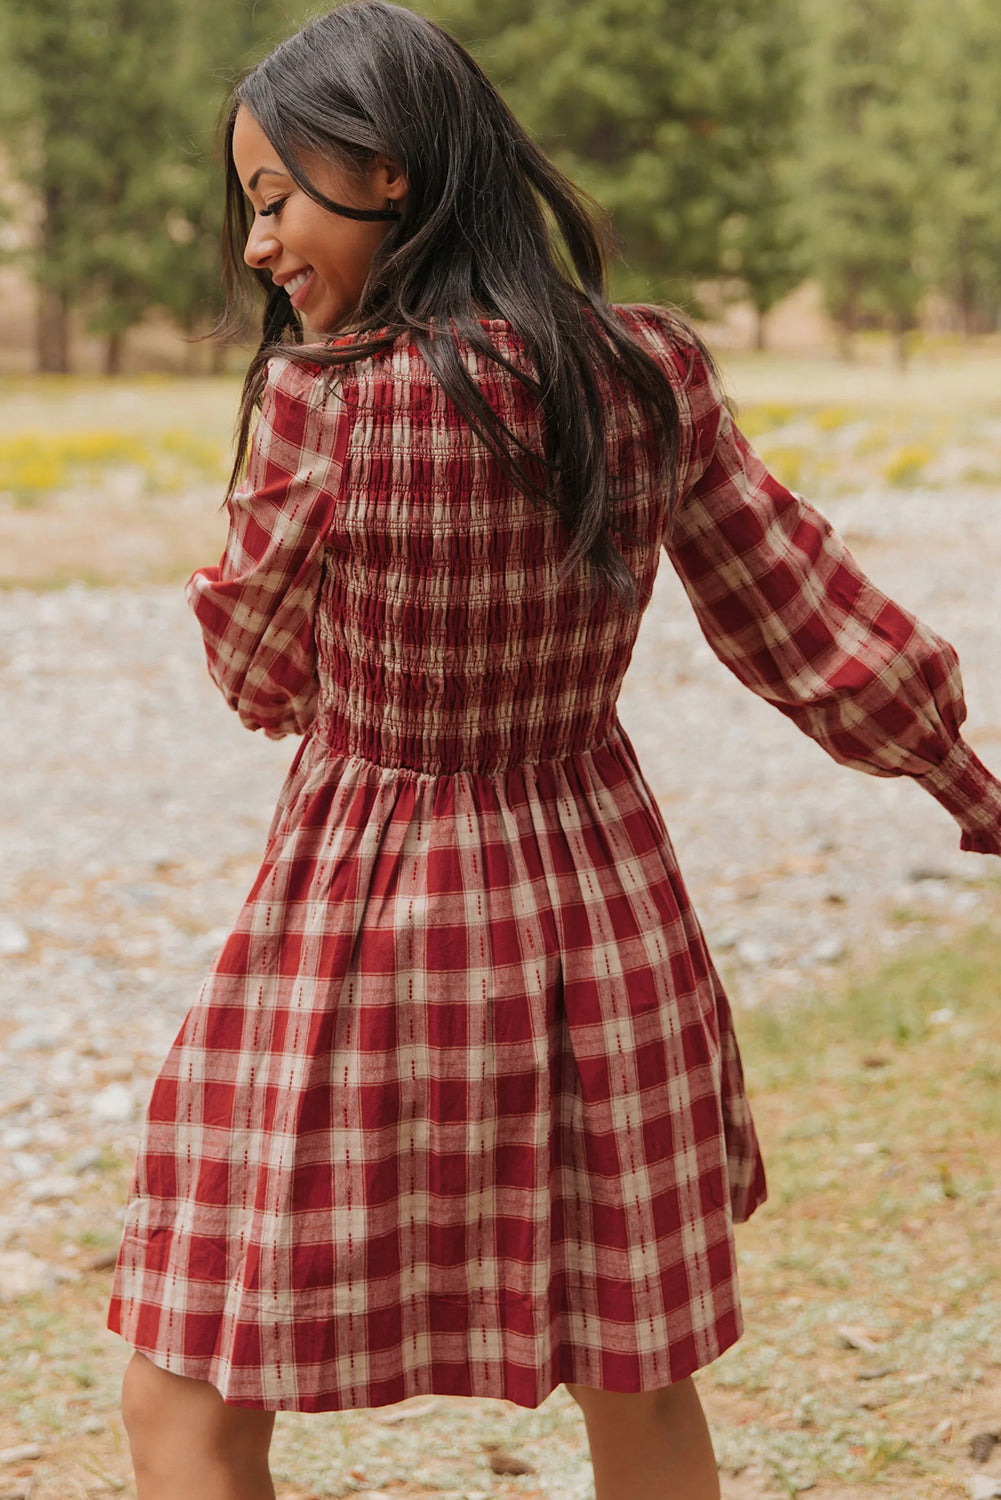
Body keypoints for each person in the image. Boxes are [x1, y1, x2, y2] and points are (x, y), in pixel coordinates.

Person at [106, 3, 1001, 1497]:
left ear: (385, 172)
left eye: (272, 198)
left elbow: (259, 684)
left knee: (185, 1378)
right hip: (603, 917)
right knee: (635, 1379)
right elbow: (804, 621)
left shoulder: (322, 402)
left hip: (364, 931)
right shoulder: (644, 369)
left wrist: (273, 478)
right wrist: (966, 784)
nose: (257, 245)